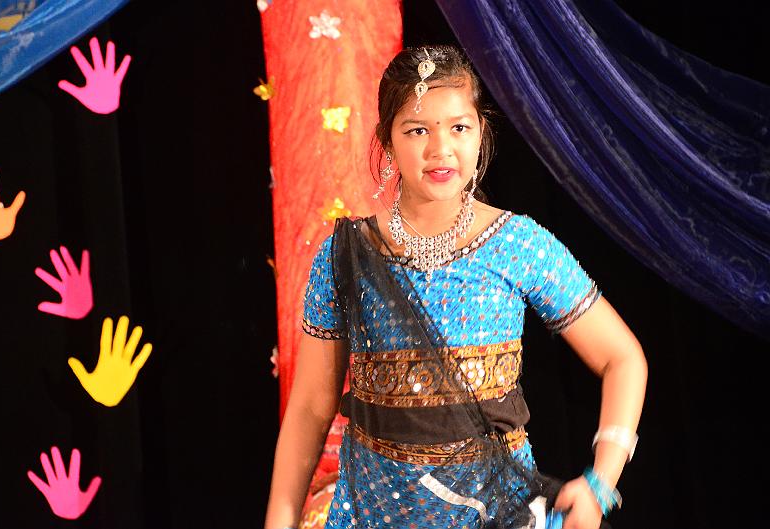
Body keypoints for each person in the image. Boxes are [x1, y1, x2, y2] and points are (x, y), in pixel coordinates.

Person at [264, 45, 647, 529]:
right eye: (417, 130)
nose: (440, 149)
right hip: (373, 515)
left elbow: (623, 358)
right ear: (386, 140)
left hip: (498, 514)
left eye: (459, 128)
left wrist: (601, 483)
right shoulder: (345, 255)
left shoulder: (517, 244)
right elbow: (309, 410)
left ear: (481, 132)